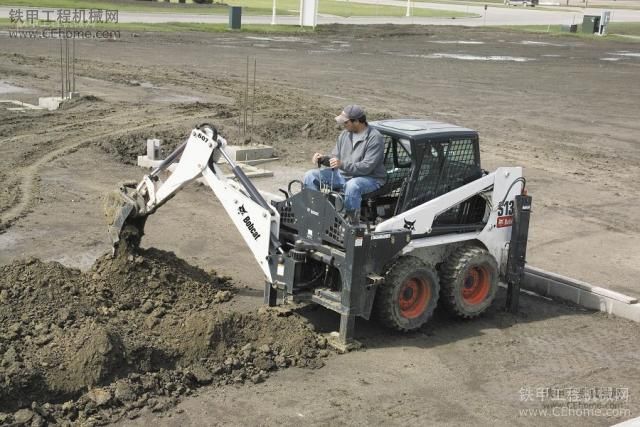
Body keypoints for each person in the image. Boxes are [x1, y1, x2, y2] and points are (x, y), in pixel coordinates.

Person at [303, 104, 386, 222]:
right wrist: (323, 159)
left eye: (346, 122)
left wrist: (341, 164)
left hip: (370, 178)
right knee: (310, 176)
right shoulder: (345, 134)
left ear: (357, 121)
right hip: (343, 175)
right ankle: (316, 215)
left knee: (352, 186)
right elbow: (335, 158)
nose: (343, 125)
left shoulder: (375, 138)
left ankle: (350, 223)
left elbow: (366, 167)